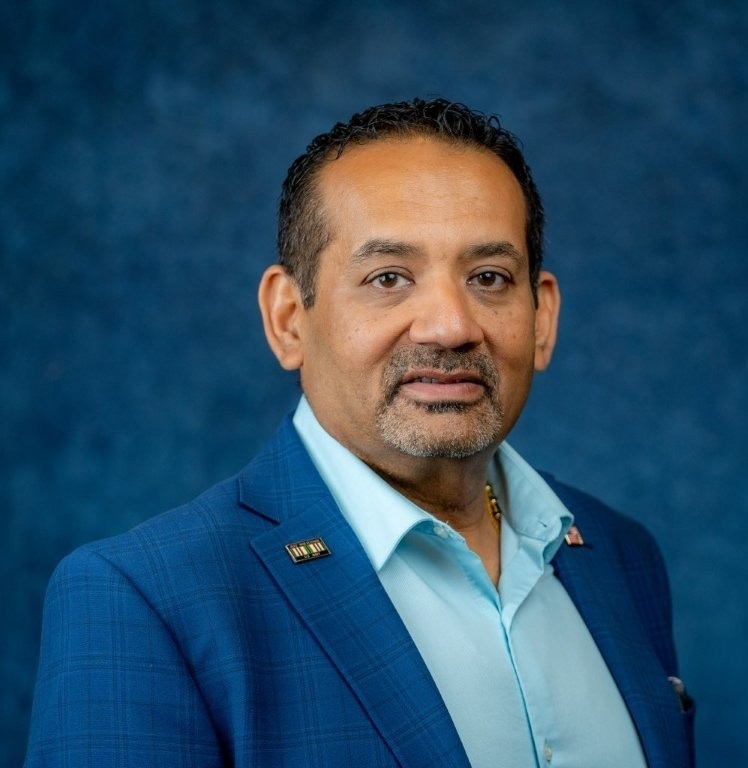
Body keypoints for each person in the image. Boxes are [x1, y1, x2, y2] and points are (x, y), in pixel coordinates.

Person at [25, 98, 694, 767]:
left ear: (541, 319)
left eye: (489, 278)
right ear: (288, 318)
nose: (450, 327)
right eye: (388, 278)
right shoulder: (144, 599)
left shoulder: (619, 555)